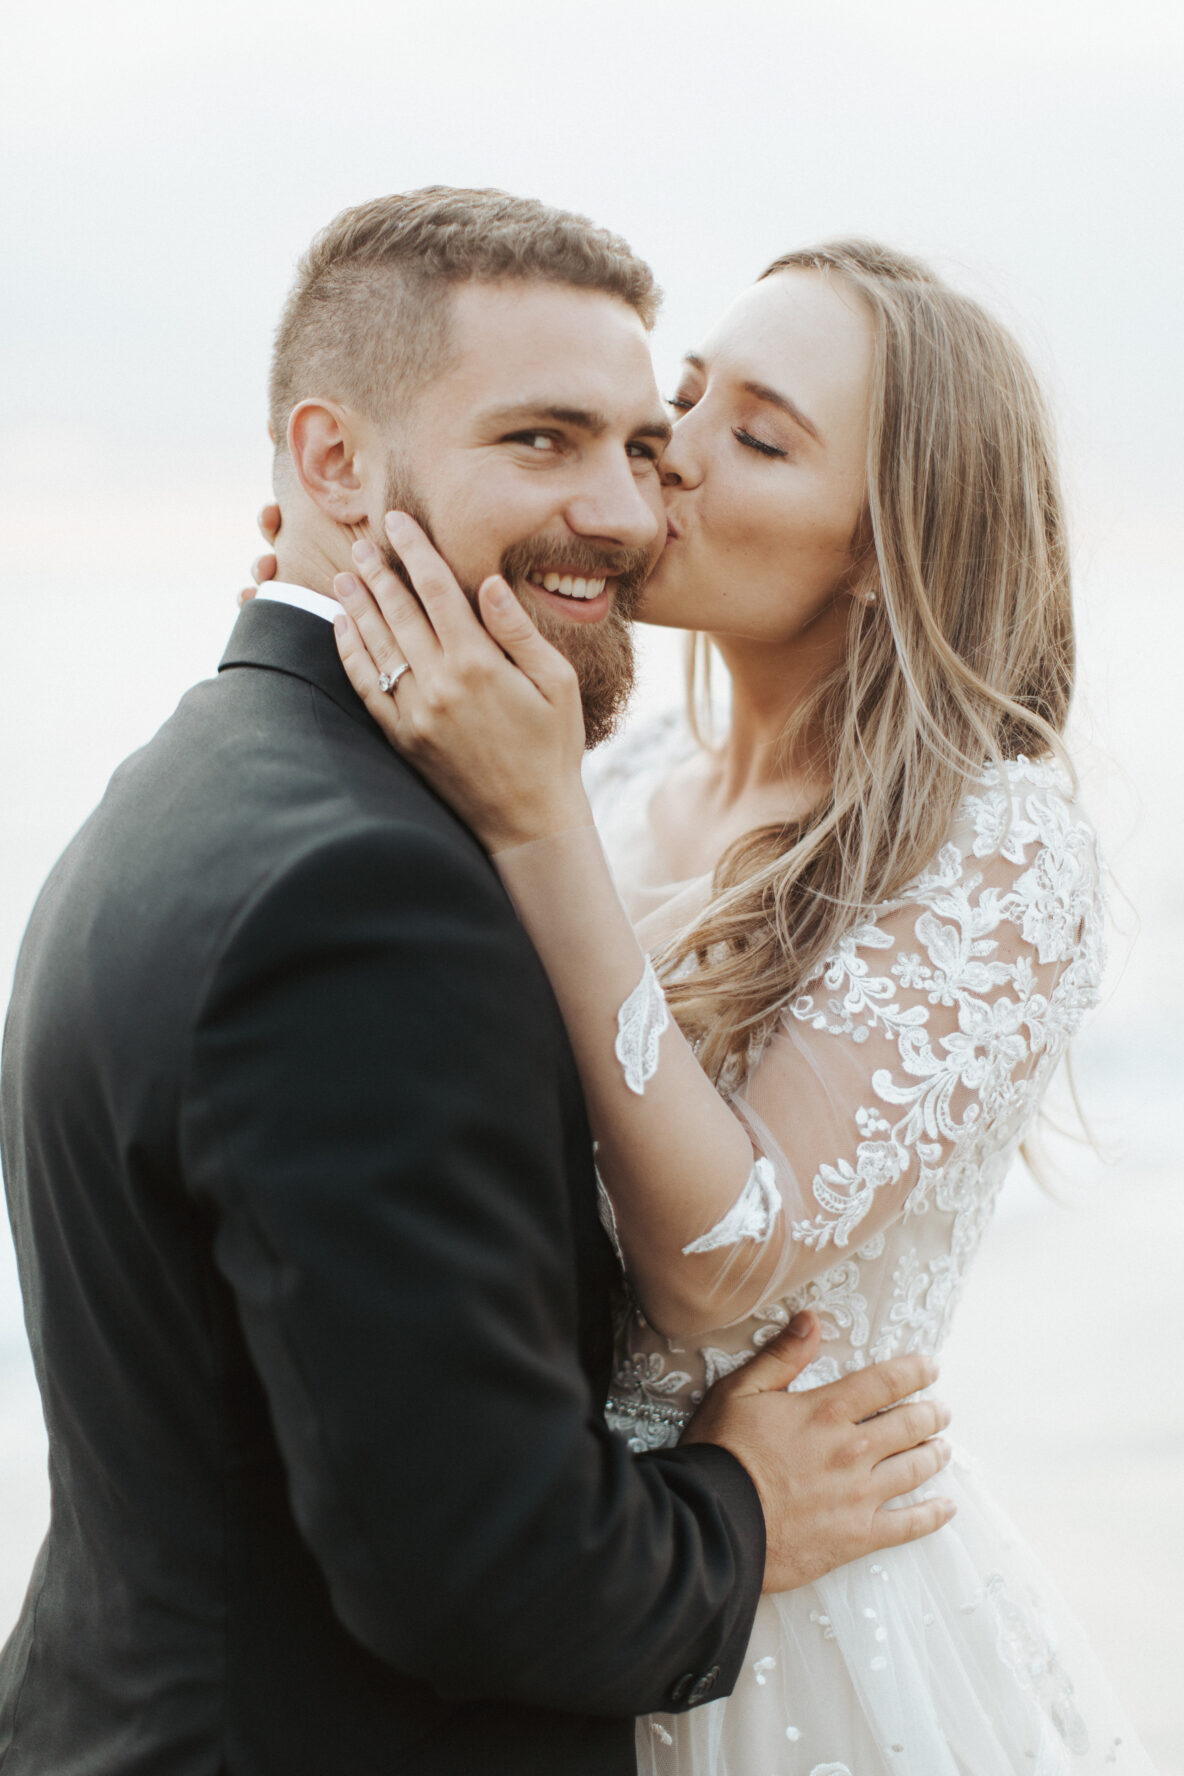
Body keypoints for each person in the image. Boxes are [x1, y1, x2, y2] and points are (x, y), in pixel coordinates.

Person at [0, 192, 953, 1776]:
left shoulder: (203, 775)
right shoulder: (361, 897)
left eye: (641, 446)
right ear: (331, 462)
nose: (629, 511)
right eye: (538, 441)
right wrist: (746, 1512)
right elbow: (482, 1570)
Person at [326, 238, 1157, 1772]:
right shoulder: (626, 778)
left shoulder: (998, 847)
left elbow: (717, 1270)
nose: (666, 452)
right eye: (688, 395)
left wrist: (531, 824)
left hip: (806, 1622)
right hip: (580, 1577)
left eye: (755, 436)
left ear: (882, 545)